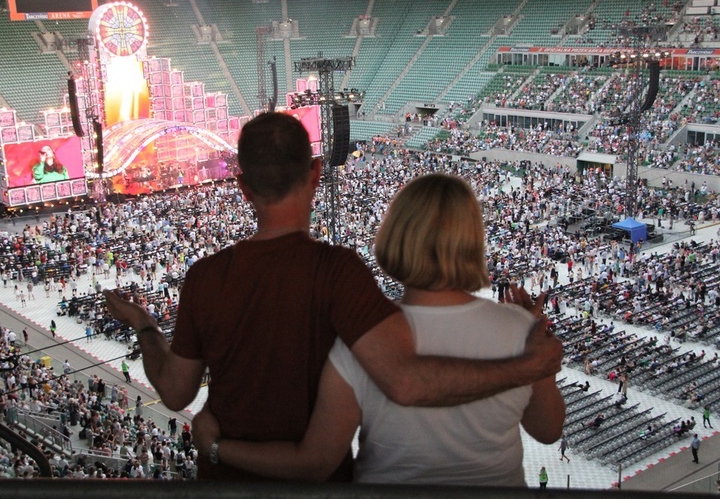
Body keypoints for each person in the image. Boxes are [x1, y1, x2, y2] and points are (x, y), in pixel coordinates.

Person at [103, 112, 562, 481]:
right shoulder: (340, 272)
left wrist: (144, 324)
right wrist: (528, 359)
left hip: (228, 481)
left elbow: (175, 392)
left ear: (242, 187)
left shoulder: (203, 278)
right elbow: (406, 382)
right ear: (316, 172)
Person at [190, 174, 564, 485]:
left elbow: (315, 462)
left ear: (396, 236)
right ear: (471, 243)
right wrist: (525, 328)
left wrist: (216, 447)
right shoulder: (520, 329)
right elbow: (548, 430)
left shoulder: (362, 337)